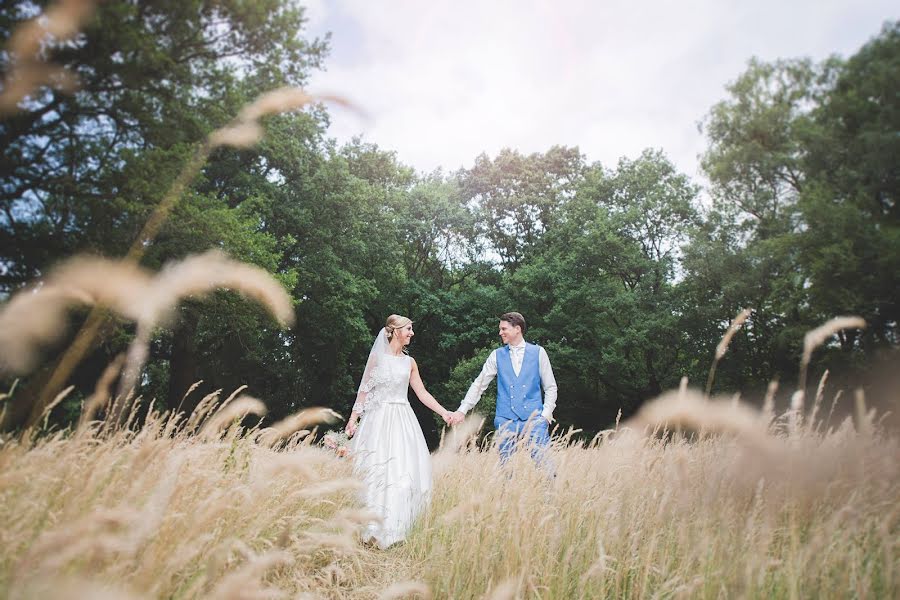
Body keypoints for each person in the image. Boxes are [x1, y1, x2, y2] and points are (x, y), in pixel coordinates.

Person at [345, 314, 452, 548]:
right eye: (408, 329)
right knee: (376, 471)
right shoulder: (376, 359)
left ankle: (396, 528)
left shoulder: (409, 363)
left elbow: (422, 393)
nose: (412, 333)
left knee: (402, 473)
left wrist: (444, 412)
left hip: (402, 420)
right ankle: (369, 528)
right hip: (378, 420)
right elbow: (364, 391)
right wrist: (354, 418)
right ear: (394, 331)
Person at [447, 312, 558, 465]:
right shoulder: (496, 355)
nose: (500, 333)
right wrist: (462, 410)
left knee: (545, 465)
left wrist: (546, 415)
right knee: (506, 469)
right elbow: (479, 385)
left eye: (504, 329)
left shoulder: (539, 353)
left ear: (517, 329)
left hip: (535, 419)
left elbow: (551, 387)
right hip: (505, 419)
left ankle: (551, 489)